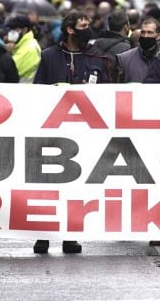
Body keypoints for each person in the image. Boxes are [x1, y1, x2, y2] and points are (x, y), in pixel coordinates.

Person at [32, 13, 113, 255]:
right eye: (84, 26)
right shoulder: (49, 56)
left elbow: (110, 94)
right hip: (53, 133)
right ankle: (43, 235)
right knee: (47, 187)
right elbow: (37, 92)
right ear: (70, 30)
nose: (89, 30)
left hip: (84, 133)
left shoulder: (98, 57)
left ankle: (70, 235)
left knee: (76, 188)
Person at [117, 17, 160, 83]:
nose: (145, 36)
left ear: (159, 36)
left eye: (150, 32)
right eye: (143, 32)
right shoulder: (124, 58)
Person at [6, 15, 42, 82]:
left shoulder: (29, 48)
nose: (11, 32)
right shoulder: (21, 45)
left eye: (15, 29)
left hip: (24, 90)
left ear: (25, 30)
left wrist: (6, 53)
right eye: (10, 29)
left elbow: (8, 72)